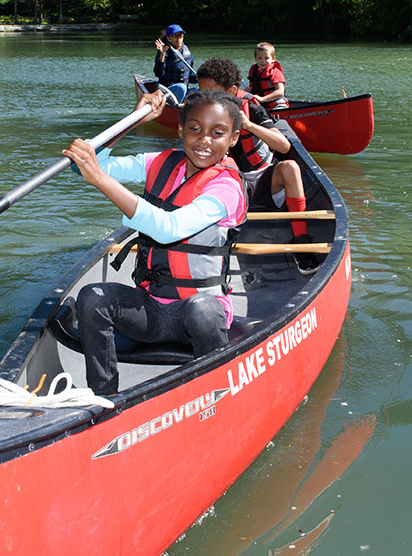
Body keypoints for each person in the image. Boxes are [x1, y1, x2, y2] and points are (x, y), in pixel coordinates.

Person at [61, 90, 245, 395]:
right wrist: (132, 122)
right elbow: (94, 164)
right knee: (92, 296)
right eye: (195, 129)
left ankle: (215, 390)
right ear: (180, 129)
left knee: (202, 309)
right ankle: (105, 397)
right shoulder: (161, 162)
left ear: (234, 138)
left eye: (218, 133)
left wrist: (101, 181)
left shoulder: (226, 187)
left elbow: (169, 228)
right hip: (151, 309)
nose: (204, 141)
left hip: (198, 315)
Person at [195, 58, 315, 272]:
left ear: (231, 91)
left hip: (263, 180)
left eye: (211, 92)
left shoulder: (250, 107)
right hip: (230, 184)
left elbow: (284, 146)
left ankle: (301, 243)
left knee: (291, 167)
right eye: (202, 92)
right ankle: (204, 240)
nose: (206, 98)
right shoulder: (202, 112)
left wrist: (248, 125)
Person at [153, 24, 196, 104]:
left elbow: (191, 77)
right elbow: (158, 73)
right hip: (167, 91)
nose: (178, 39)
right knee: (181, 87)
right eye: (175, 36)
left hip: (184, 91)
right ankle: (176, 108)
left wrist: (202, 77)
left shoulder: (187, 52)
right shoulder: (163, 51)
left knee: (203, 89)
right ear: (169, 38)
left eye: (180, 36)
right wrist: (162, 55)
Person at [247, 42, 288, 109]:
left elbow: (280, 92)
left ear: (273, 59)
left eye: (266, 58)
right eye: (259, 58)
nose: (263, 61)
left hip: (277, 106)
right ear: (255, 58)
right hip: (261, 106)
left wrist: (262, 99)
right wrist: (248, 91)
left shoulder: (275, 72)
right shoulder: (254, 71)